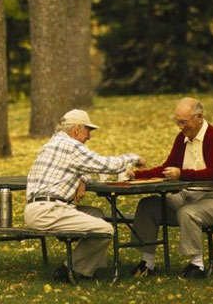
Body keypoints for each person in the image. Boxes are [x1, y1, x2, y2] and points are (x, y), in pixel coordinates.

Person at [127, 97, 213, 279]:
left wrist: (182, 174)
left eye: (184, 122)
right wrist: (137, 175)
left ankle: (196, 265)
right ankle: (147, 262)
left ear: (199, 117)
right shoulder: (181, 138)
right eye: (178, 122)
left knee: (188, 212)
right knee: (148, 205)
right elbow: (167, 168)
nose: (181, 127)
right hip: (187, 196)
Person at [24, 109, 144, 283]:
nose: (89, 136)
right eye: (88, 130)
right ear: (77, 129)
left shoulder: (51, 144)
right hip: (48, 211)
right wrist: (134, 158)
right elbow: (105, 165)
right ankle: (68, 270)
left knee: (96, 214)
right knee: (106, 230)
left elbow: (73, 167)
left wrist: (82, 179)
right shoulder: (72, 146)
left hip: (37, 208)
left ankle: (87, 270)